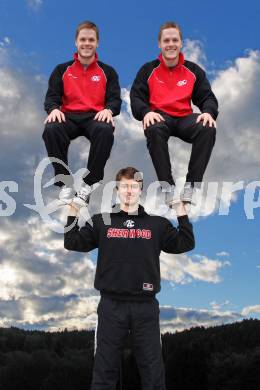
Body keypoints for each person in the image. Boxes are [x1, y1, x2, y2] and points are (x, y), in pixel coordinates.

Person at [64, 166, 195, 390]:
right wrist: (73, 210)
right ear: (117, 190)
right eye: (124, 186)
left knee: (153, 371)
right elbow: (73, 242)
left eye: (134, 186)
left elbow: (185, 243)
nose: (129, 191)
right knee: (104, 370)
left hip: (146, 307)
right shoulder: (101, 221)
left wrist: (181, 212)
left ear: (140, 190)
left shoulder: (157, 224)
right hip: (111, 306)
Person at [130, 21, 218, 206]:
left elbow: (207, 97)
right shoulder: (148, 70)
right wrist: (146, 112)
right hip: (160, 117)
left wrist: (208, 112)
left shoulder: (193, 70)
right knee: (153, 128)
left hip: (185, 118)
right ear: (159, 44)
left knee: (207, 128)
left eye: (174, 40)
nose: (171, 44)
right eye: (166, 40)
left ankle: (191, 187)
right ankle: (168, 188)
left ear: (181, 43)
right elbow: (136, 97)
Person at [42, 21, 121, 207]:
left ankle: (90, 183)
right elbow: (52, 96)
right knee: (51, 129)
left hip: (95, 117)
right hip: (68, 116)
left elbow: (115, 99)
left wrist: (109, 110)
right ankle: (65, 182)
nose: (87, 43)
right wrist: (53, 109)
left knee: (105, 130)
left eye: (91, 40)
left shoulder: (107, 72)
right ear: (76, 42)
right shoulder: (62, 70)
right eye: (83, 39)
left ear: (97, 43)